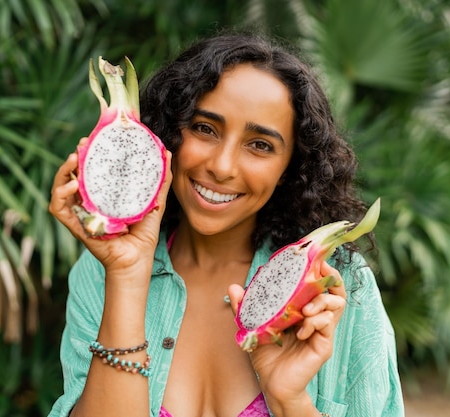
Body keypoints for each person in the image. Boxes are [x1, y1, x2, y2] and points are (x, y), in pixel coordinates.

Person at [48, 31, 404, 417]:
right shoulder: (100, 275)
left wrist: (289, 399)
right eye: (205, 128)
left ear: (290, 168)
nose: (221, 166)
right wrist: (128, 278)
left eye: (260, 145)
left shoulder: (337, 290)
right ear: (170, 131)